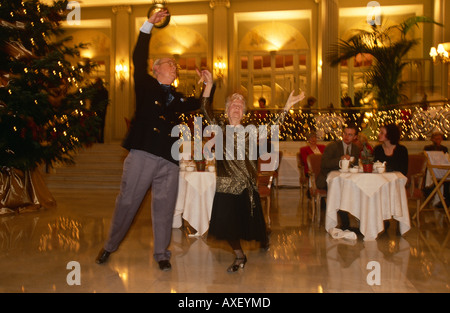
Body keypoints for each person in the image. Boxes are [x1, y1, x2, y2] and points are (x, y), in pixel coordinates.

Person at [95, 10, 214, 271]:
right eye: (170, 63)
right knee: (128, 202)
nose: (175, 66)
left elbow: (202, 106)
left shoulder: (178, 98)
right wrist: (149, 24)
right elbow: (137, 56)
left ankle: (162, 253)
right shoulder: (145, 84)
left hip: (169, 159)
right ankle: (110, 246)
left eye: (176, 65)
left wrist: (208, 84)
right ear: (156, 68)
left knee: (164, 207)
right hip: (143, 154)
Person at [201, 90, 304, 272]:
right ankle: (240, 255)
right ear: (226, 110)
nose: (237, 107)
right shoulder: (219, 129)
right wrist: (208, 86)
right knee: (227, 227)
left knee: (252, 225)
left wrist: (287, 107)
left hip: (246, 187)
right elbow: (204, 108)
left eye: (240, 106)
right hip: (225, 186)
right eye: (233, 104)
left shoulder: (251, 131)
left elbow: (274, 125)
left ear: (243, 113)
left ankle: (264, 237)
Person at [316, 125, 360, 229]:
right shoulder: (333, 146)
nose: (346, 136)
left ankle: (361, 220)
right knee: (340, 191)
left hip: (348, 179)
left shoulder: (355, 149)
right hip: (329, 178)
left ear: (355, 137)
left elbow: (355, 164)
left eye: (350, 135)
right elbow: (324, 164)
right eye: (345, 133)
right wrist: (340, 159)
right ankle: (345, 222)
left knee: (360, 189)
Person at [424, 132, 449, 207]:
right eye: (436, 139)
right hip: (432, 169)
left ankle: (445, 200)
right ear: (432, 139)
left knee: (446, 178)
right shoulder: (428, 148)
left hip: (442, 168)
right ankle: (428, 196)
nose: (438, 140)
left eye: (439, 139)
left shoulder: (444, 149)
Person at [90, 78, 109, 143]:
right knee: (96, 126)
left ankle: (101, 139)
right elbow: (92, 102)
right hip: (96, 111)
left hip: (102, 111)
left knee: (102, 126)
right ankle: (97, 139)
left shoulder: (105, 92)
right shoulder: (95, 92)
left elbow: (106, 102)